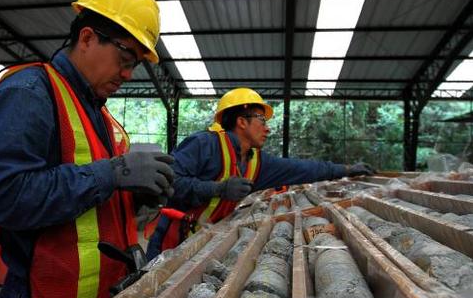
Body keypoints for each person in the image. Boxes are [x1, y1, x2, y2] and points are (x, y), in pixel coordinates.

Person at [0, 0, 175, 298]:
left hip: (97, 294)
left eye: (134, 63)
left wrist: (133, 198)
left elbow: (85, 201)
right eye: (125, 56)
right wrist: (113, 173)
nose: (128, 73)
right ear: (87, 37)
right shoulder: (29, 94)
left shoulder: (94, 110)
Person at [146, 87, 374, 259]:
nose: (268, 128)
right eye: (262, 120)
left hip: (203, 243)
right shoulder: (204, 144)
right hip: (172, 240)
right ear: (242, 122)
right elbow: (169, 181)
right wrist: (218, 189)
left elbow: (302, 169)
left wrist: (345, 170)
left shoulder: (257, 162)